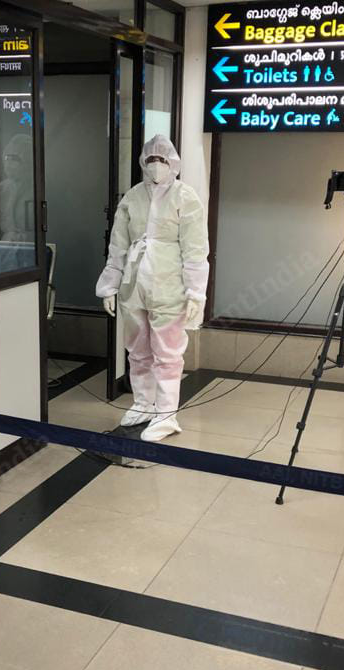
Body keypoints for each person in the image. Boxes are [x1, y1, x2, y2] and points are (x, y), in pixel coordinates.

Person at [95, 135, 209, 442]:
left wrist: (196, 292)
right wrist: (109, 285)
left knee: (168, 352)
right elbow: (118, 245)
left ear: (173, 163)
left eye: (162, 160)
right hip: (134, 285)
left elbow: (196, 250)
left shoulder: (185, 197)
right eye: (151, 160)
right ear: (143, 162)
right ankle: (144, 403)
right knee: (137, 348)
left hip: (170, 285)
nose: (156, 166)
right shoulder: (132, 197)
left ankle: (167, 413)